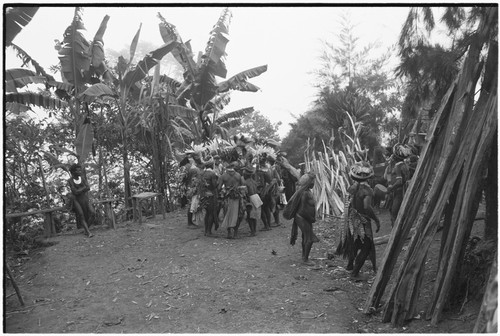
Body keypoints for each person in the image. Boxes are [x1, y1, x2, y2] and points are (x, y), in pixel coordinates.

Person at [336, 161, 380, 281]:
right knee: (366, 247)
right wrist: (376, 220)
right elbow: (367, 207)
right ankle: (355, 273)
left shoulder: (352, 188)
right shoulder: (367, 190)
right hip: (362, 220)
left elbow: (348, 204)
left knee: (354, 243)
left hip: (351, 219)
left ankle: (350, 265)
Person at [284, 172, 320, 265]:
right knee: (309, 238)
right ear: (308, 182)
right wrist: (311, 218)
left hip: (304, 217)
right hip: (302, 217)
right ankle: (305, 259)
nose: (314, 183)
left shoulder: (306, 191)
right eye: (312, 181)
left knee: (306, 236)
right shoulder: (305, 193)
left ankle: (304, 256)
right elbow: (304, 209)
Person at [218, 162, 245, 239]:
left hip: (227, 198)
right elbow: (242, 186)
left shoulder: (223, 176)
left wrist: (223, 190)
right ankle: (235, 233)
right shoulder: (238, 175)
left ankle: (229, 232)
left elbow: (219, 188)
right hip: (237, 197)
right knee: (237, 214)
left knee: (227, 213)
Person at [387, 143, 411, 227]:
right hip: (403, 191)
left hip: (398, 192)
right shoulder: (404, 165)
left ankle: (395, 232)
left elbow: (399, 181)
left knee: (394, 213)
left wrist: (391, 188)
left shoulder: (398, 166)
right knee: (398, 212)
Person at [67, 163, 94, 237]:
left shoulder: (82, 178)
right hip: (76, 200)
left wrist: (79, 190)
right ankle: (88, 233)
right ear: (73, 172)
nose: (80, 171)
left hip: (85, 198)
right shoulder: (70, 181)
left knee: (92, 213)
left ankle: (86, 229)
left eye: (80, 170)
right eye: (78, 170)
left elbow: (88, 187)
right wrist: (83, 188)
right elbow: (75, 192)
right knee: (81, 215)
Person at [199, 159, 219, 236]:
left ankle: (205, 230)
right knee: (211, 213)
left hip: (204, 195)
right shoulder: (212, 174)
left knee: (207, 213)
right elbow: (214, 185)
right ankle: (208, 231)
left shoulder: (202, 173)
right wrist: (218, 179)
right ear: (211, 165)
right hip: (211, 195)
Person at [242, 165, 262, 237]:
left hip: (251, 198)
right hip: (256, 197)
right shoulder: (254, 181)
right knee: (254, 216)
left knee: (250, 216)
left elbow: (245, 193)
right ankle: (254, 230)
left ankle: (252, 231)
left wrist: (246, 201)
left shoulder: (246, 183)